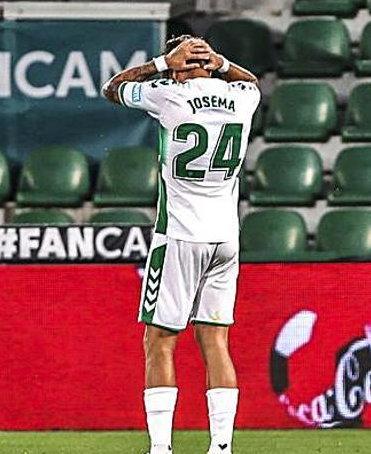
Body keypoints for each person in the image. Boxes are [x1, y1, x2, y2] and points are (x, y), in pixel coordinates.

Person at [102, 35, 260, 454]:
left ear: (177, 67)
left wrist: (159, 64)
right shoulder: (240, 96)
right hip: (226, 237)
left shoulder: (169, 94)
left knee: (159, 340)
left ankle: (160, 449)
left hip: (179, 235)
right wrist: (222, 63)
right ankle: (221, 448)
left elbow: (112, 89)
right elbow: (253, 81)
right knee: (216, 341)